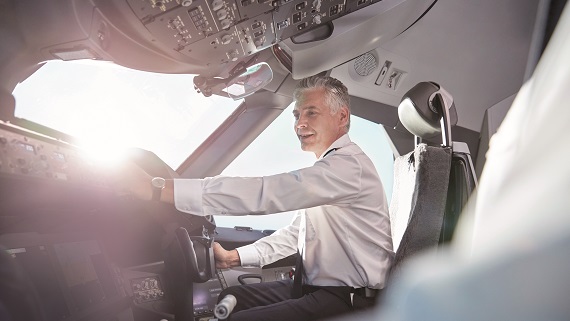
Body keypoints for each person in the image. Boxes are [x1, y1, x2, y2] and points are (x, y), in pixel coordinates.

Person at [115, 75, 393, 321]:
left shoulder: (348, 167)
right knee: (234, 296)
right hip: (314, 288)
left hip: (348, 300)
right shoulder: (329, 172)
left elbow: (266, 193)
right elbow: (294, 235)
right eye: (296, 115)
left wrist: (157, 189)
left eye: (311, 113)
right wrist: (234, 257)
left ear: (342, 117)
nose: (300, 124)